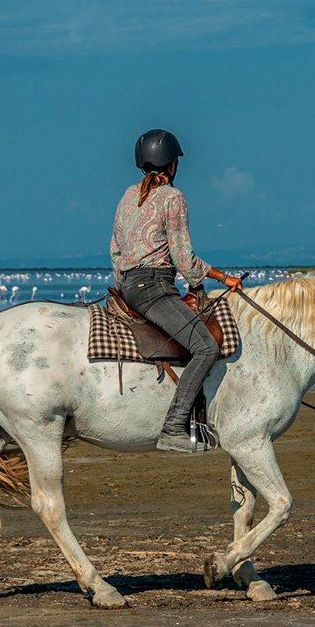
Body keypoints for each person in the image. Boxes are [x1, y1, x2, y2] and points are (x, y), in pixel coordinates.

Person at [110, 129, 243, 452]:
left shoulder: (129, 195)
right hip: (154, 287)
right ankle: (173, 428)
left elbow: (115, 249)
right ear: (171, 164)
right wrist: (223, 278)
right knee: (206, 348)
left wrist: (125, 284)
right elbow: (185, 258)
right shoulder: (173, 198)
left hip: (127, 285)